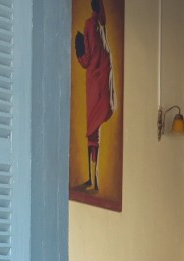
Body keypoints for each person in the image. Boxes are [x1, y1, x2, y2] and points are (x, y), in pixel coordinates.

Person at [74, 0, 116, 192]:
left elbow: (87, 59)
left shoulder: (90, 25)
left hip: (95, 82)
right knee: (94, 129)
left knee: (92, 129)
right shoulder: (101, 25)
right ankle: (94, 179)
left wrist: (78, 50)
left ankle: (93, 180)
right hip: (104, 80)